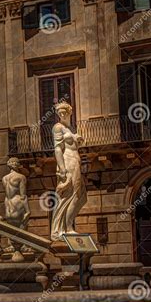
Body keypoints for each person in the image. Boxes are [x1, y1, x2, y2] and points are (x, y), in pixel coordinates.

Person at [51, 102, 87, 241]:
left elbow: (74, 144)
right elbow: (58, 149)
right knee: (71, 195)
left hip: (75, 161)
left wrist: (78, 139)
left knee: (80, 196)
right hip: (67, 163)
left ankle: (66, 227)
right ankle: (65, 228)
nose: (61, 115)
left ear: (70, 112)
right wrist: (62, 169)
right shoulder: (58, 127)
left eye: (64, 112)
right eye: (59, 113)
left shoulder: (70, 128)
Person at [2, 157, 30, 229]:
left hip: (8, 205)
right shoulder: (21, 177)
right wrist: (27, 211)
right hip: (17, 204)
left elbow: (6, 194)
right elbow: (23, 196)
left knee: (12, 233)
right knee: (22, 233)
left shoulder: (4, 178)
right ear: (18, 165)